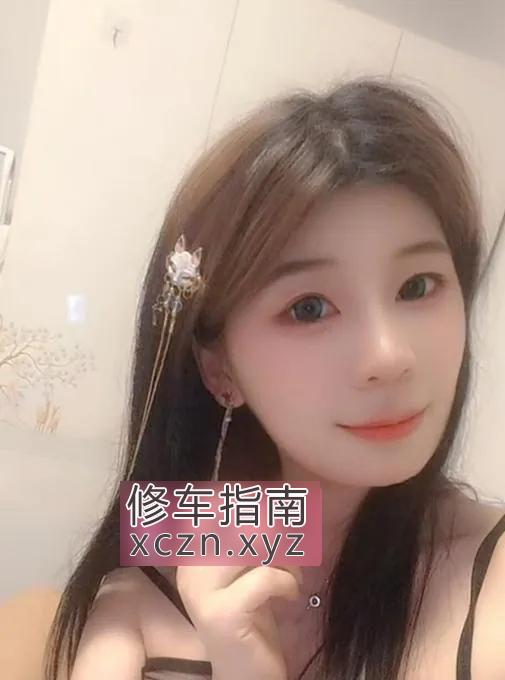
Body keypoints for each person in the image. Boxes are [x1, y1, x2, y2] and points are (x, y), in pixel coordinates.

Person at [43, 76, 505, 680]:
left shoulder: (489, 581)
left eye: (417, 286)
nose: (390, 355)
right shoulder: (153, 568)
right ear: (219, 367)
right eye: (309, 307)